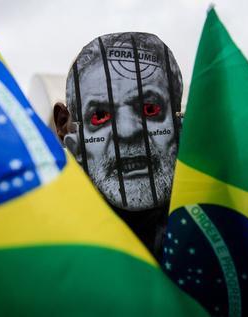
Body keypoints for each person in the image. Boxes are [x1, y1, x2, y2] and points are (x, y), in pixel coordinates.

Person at [53, 32, 183, 260]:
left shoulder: (220, 226)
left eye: (150, 109)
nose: (127, 131)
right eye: (100, 115)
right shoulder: (46, 241)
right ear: (65, 127)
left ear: (179, 126)